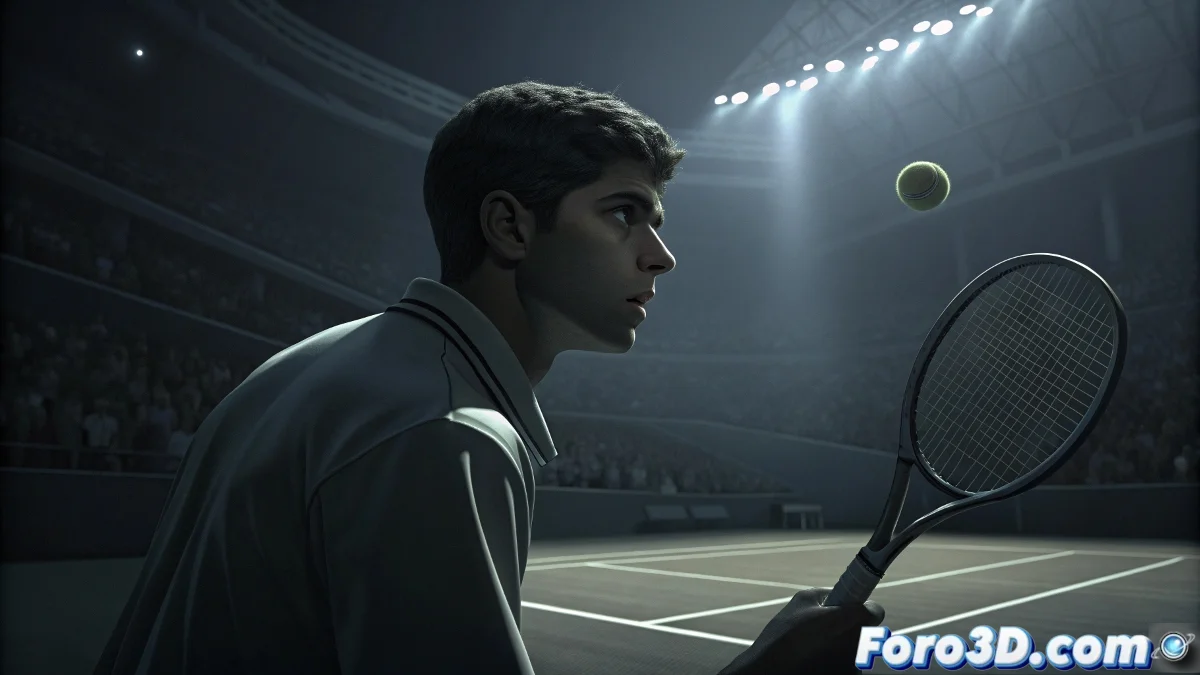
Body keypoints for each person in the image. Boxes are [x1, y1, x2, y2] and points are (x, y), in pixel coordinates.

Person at [95, 81, 883, 675]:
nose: (659, 254)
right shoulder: (444, 431)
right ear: (510, 225)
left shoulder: (312, 363)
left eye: (656, 221)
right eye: (622, 213)